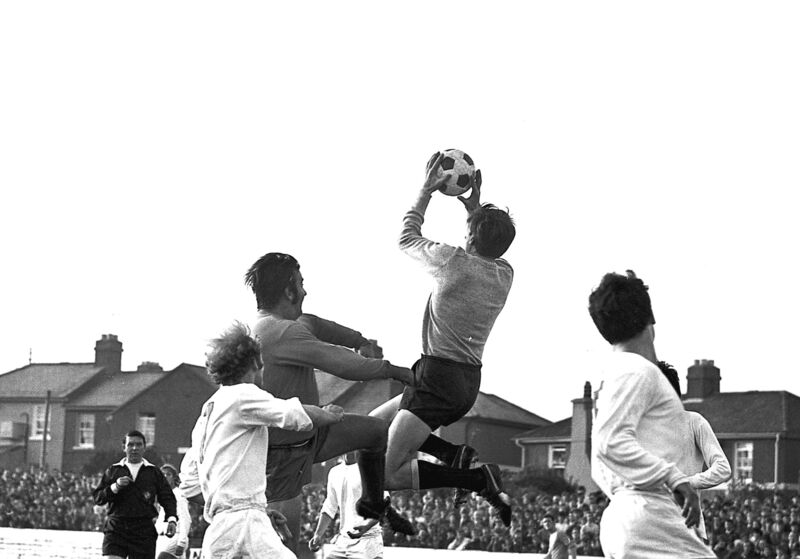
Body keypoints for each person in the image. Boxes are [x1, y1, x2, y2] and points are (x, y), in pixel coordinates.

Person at [370, 152, 516, 525]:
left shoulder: (452, 262)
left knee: (384, 474)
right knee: (373, 426)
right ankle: (453, 455)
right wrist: (474, 206)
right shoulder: (504, 274)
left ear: (469, 235)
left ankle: (474, 479)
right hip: (464, 382)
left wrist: (426, 191)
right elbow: (481, 242)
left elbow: (406, 237)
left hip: (437, 378)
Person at [244, 251, 416, 552]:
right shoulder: (282, 331)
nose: (305, 290)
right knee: (289, 549)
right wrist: (398, 371)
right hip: (283, 455)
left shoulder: (278, 324)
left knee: (376, 432)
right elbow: (344, 365)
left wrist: (358, 339)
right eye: (300, 283)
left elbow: (316, 323)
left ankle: (374, 503)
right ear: (288, 290)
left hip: (312, 431)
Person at [179, 322, 344, 559]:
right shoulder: (243, 394)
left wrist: (251, 507)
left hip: (219, 527)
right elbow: (292, 414)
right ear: (254, 365)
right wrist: (329, 414)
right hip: (243, 522)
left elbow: (189, 484)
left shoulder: (207, 411)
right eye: (262, 367)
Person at [588, 270, 716, 558]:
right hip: (652, 515)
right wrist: (674, 478)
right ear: (651, 319)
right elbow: (608, 443)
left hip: (631, 512)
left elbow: (601, 456)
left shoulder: (614, 374)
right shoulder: (638, 371)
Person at [658, 360, 732, 543]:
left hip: (689, 529)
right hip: (655, 529)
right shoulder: (644, 429)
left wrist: (688, 483)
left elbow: (723, 468)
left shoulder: (694, 422)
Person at [92, 430, 178, 559]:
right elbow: (98, 498)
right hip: (116, 527)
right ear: (124, 447)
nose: (134, 448)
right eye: (130, 445)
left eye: (138, 445)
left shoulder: (153, 472)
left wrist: (172, 519)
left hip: (143, 530)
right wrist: (115, 487)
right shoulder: (113, 470)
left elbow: (167, 498)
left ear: (144, 448)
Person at [308, 452, 384, 559]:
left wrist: (367, 526)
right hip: (343, 541)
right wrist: (318, 535)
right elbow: (330, 505)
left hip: (367, 541)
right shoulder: (335, 472)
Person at [155, 464, 191, 559]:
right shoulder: (162, 496)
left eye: (168, 474)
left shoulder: (178, 495)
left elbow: (185, 518)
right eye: (163, 475)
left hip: (174, 537)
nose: (165, 477)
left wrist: (182, 541)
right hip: (161, 538)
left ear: (174, 478)